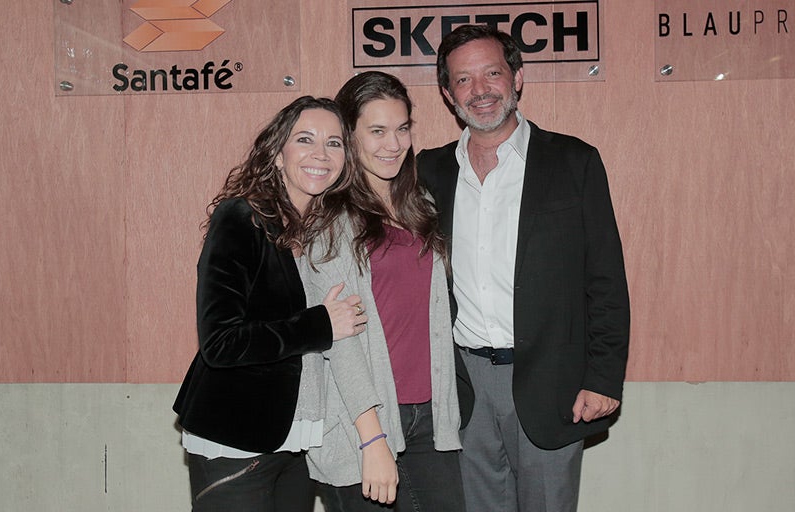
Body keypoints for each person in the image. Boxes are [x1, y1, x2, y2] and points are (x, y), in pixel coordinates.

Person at [416, 25, 631, 512]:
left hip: (552, 381)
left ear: (516, 77)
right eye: (463, 79)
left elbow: (605, 281)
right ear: (448, 94)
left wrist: (603, 378)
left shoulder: (573, 162)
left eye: (492, 73)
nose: (480, 90)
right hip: (463, 386)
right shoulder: (428, 172)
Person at [172, 96, 370, 512]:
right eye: (305, 139)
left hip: (295, 441)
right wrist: (321, 325)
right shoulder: (240, 218)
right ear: (278, 155)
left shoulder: (319, 231)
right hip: (234, 439)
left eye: (334, 143)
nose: (321, 153)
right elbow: (221, 343)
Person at [300, 71, 465, 511]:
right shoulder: (328, 220)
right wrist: (371, 438)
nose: (393, 144)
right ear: (349, 136)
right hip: (363, 421)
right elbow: (341, 339)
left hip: (430, 415)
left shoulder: (420, 205)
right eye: (377, 131)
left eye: (402, 128)